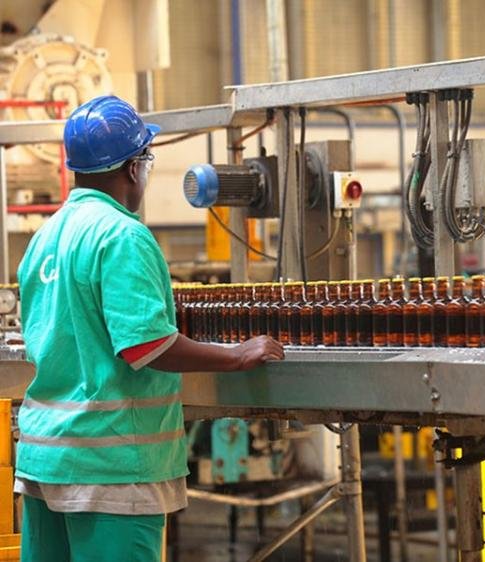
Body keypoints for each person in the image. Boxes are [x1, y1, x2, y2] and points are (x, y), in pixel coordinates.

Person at [14, 95, 284, 562]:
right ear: (133, 167)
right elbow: (146, 346)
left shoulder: (47, 237)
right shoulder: (122, 235)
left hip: (45, 459)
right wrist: (237, 355)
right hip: (112, 466)